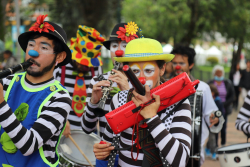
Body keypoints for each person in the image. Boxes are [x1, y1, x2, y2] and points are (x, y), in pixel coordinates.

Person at [93, 38, 192, 167]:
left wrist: (152, 118)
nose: (141, 78)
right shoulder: (119, 100)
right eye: (134, 71)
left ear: (162, 69)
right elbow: (107, 144)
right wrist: (101, 151)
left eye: (148, 71)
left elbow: (181, 161)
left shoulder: (179, 103)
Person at [0, 14, 71, 167]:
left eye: (44, 47)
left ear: (60, 56)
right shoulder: (6, 82)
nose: (33, 52)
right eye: (31, 45)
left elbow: (28, 145)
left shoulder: (60, 97)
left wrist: (0, 104)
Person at [82, 22, 140, 166]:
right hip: (105, 153)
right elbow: (87, 128)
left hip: (135, 154)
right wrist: (93, 103)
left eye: (125, 46)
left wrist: (127, 91)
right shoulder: (98, 80)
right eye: (114, 46)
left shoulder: (143, 83)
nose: (118, 52)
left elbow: (144, 122)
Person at [170, 45, 224, 166]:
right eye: (174, 63)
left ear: (191, 65)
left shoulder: (202, 88)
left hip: (193, 152)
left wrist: (215, 118)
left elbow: (214, 116)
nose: (177, 66)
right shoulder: (164, 86)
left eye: (181, 63)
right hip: (168, 149)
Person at [54, 25, 105, 135]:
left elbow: (100, 100)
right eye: (81, 61)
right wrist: (60, 118)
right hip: (59, 130)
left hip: (88, 133)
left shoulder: (97, 68)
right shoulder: (59, 63)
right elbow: (47, 93)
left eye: (87, 63)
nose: (83, 65)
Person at [208, 65, 234, 148]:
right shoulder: (210, 83)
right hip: (213, 110)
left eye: (220, 72)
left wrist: (224, 104)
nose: (219, 74)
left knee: (223, 128)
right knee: (214, 128)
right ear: (214, 73)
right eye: (217, 72)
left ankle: (223, 145)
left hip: (224, 109)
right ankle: (213, 146)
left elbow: (232, 96)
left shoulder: (228, 83)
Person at [205, 84, 224, 160]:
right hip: (208, 122)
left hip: (216, 122)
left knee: (213, 137)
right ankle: (214, 152)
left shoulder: (218, 101)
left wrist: (217, 119)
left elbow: (221, 112)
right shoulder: (206, 100)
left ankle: (208, 148)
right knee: (212, 137)